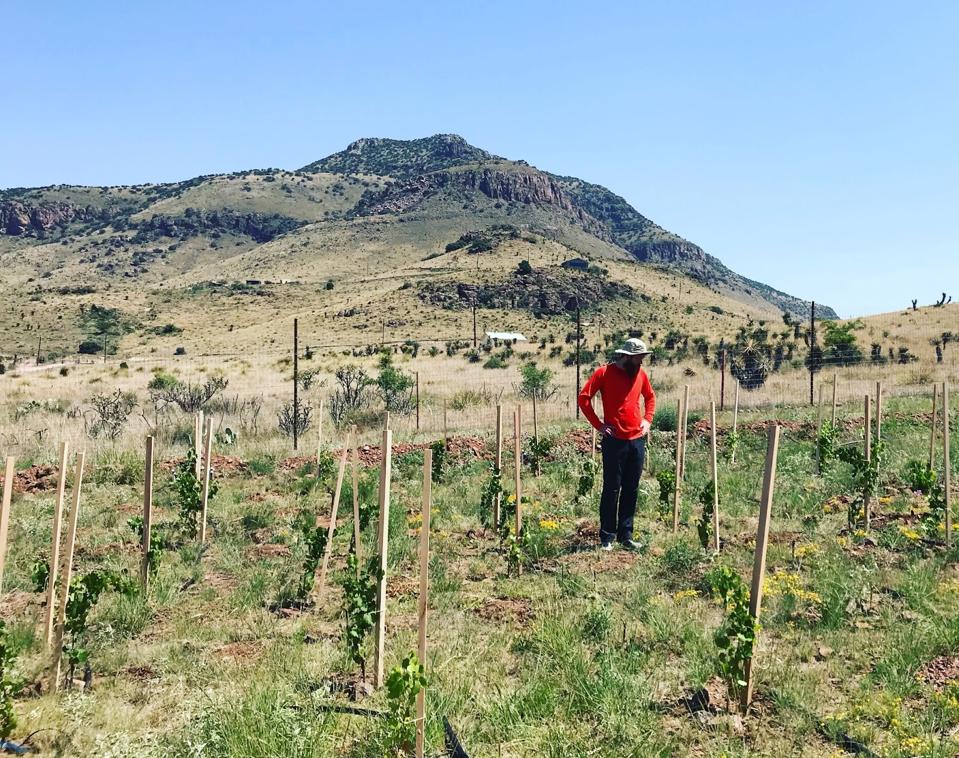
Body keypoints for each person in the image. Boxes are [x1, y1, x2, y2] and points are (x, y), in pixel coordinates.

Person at [577, 337, 656, 551]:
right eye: (638, 358)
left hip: (636, 441)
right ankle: (607, 537)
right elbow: (584, 398)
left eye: (642, 358)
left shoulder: (640, 374)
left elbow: (650, 397)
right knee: (612, 489)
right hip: (614, 442)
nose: (641, 362)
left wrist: (647, 420)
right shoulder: (603, 373)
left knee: (631, 488)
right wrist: (599, 425)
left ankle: (626, 535)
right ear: (626, 356)